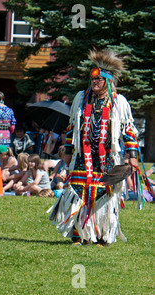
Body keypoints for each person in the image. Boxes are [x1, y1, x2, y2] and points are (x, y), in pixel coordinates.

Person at [48, 49, 152, 246]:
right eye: (93, 79)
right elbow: (72, 127)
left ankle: (101, 235)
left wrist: (131, 156)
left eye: (99, 80)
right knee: (78, 191)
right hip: (82, 157)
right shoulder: (81, 98)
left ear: (108, 81)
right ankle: (79, 235)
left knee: (103, 194)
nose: (95, 82)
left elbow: (128, 130)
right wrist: (68, 151)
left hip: (107, 159)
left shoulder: (118, 102)